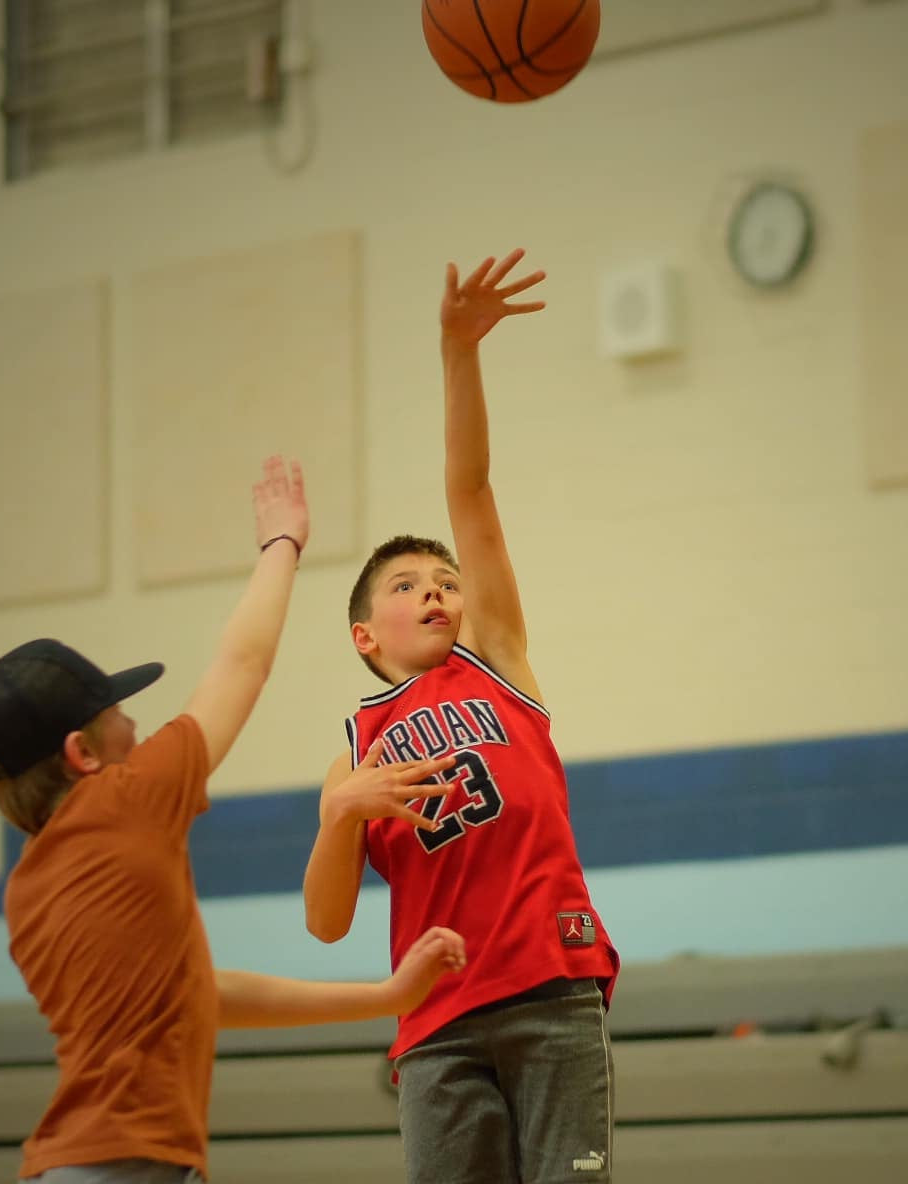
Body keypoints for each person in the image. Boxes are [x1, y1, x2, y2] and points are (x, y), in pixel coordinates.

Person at [0, 456, 466, 1184]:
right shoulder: (127, 801)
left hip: (76, 1165)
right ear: (82, 754)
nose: (136, 726)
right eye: (118, 715)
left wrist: (385, 998)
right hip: (127, 1168)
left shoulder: (29, 891)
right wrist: (281, 545)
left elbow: (200, 993)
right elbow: (241, 665)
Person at [303, 253, 620, 1184]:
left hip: (551, 990)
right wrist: (341, 813)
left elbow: (469, 491)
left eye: (445, 581)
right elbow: (325, 924)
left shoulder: (497, 661)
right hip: (436, 1020)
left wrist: (458, 352)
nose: (436, 591)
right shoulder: (354, 752)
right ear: (366, 633)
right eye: (408, 585)